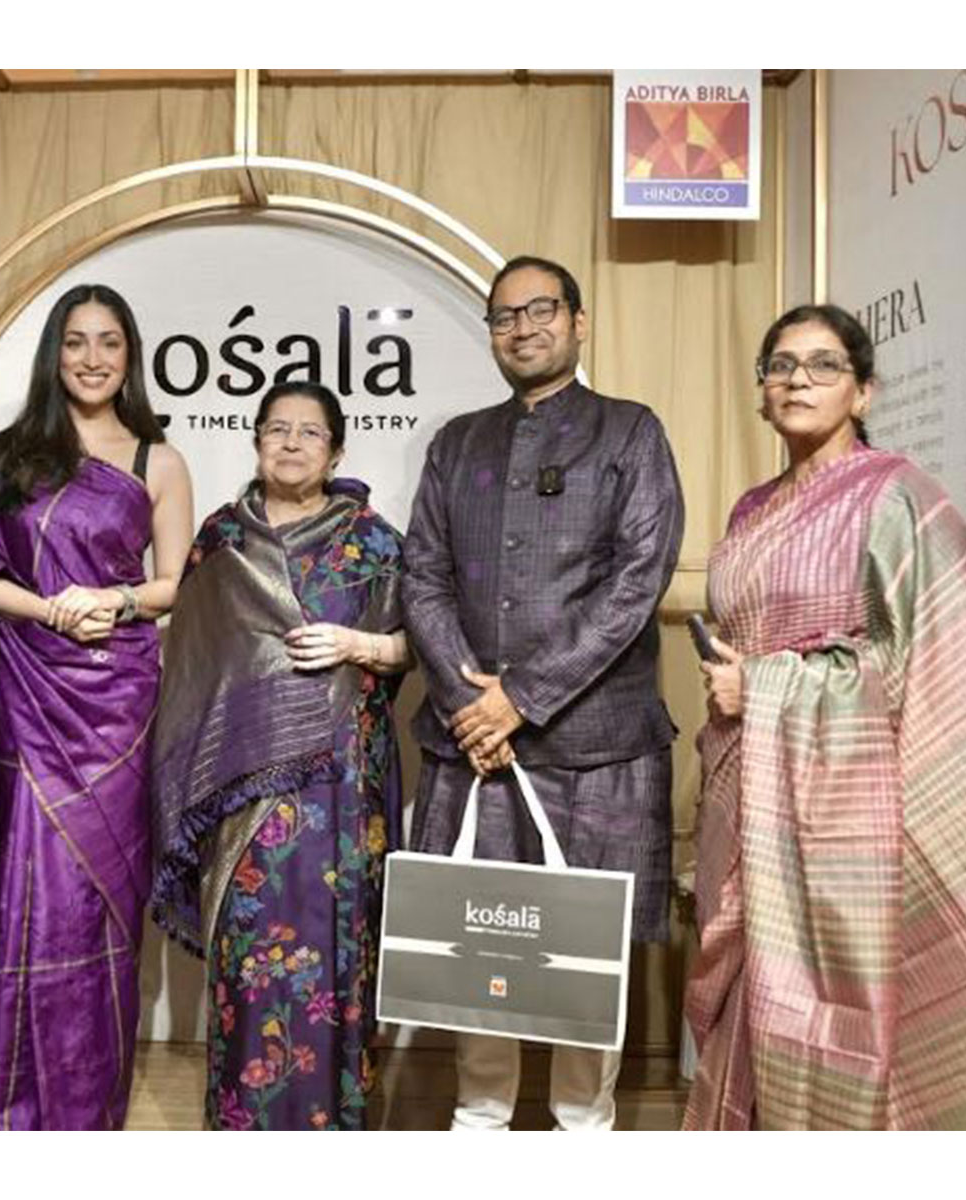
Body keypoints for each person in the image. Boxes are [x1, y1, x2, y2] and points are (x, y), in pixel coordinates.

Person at [683, 304, 966, 1130]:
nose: (797, 379)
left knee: (856, 1018)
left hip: (852, 822)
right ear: (761, 390)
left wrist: (762, 688)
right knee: (754, 1016)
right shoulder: (751, 509)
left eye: (824, 365)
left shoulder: (901, 499)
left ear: (863, 391)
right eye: (780, 364)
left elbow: (937, 668)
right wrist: (748, 690)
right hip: (750, 793)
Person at [0, 283, 192, 1130]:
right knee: (25, 885)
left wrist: (117, 604)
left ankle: (85, 1101)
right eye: (77, 342)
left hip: (116, 703)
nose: (93, 358)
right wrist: (51, 607)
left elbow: (170, 583)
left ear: (131, 356)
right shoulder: (10, 453)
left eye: (111, 343)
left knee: (97, 896)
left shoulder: (155, 460)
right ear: (55, 353)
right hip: (22, 689)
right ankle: (10, 1095)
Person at [402, 255, 684, 1130]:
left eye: (540, 310)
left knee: (581, 956)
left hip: (597, 742)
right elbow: (423, 577)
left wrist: (519, 697)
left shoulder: (630, 432)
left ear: (578, 321)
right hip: (472, 743)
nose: (522, 328)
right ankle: (478, 1124)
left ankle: (582, 1131)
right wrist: (471, 701)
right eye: (503, 316)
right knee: (477, 939)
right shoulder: (457, 443)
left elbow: (638, 582)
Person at [151, 381, 412, 1130]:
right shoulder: (220, 541)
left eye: (310, 432)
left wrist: (357, 644)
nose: (292, 443)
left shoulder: (374, 541)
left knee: (336, 959)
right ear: (256, 437)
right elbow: (195, 669)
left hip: (339, 795)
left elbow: (412, 650)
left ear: (337, 449)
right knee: (250, 968)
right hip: (240, 801)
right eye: (277, 428)